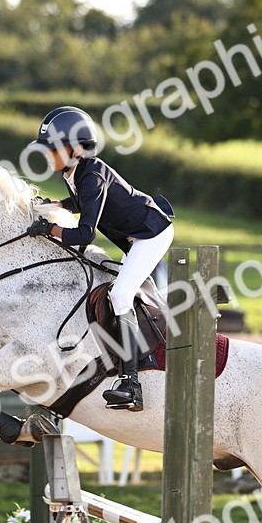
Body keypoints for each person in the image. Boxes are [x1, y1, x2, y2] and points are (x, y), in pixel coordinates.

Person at [26, 106, 175, 413]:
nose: (49, 155)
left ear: (76, 148)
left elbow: (85, 235)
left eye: (54, 148)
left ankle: (131, 384)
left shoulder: (91, 174)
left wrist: (50, 229)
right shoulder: (75, 172)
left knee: (121, 293)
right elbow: (81, 201)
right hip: (133, 234)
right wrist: (53, 204)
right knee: (115, 287)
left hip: (151, 232)